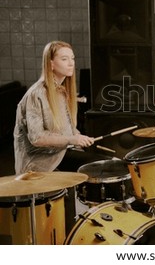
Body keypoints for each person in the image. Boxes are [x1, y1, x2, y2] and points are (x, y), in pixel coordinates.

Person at [13, 41, 102, 233]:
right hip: (39, 164)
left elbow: (63, 131)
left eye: (72, 59)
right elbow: (37, 138)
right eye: (64, 59)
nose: (71, 63)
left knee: (101, 165)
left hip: (58, 154)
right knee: (90, 171)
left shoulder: (61, 91)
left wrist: (78, 136)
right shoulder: (36, 94)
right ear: (51, 64)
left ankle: (97, 221)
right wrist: (72, 140)